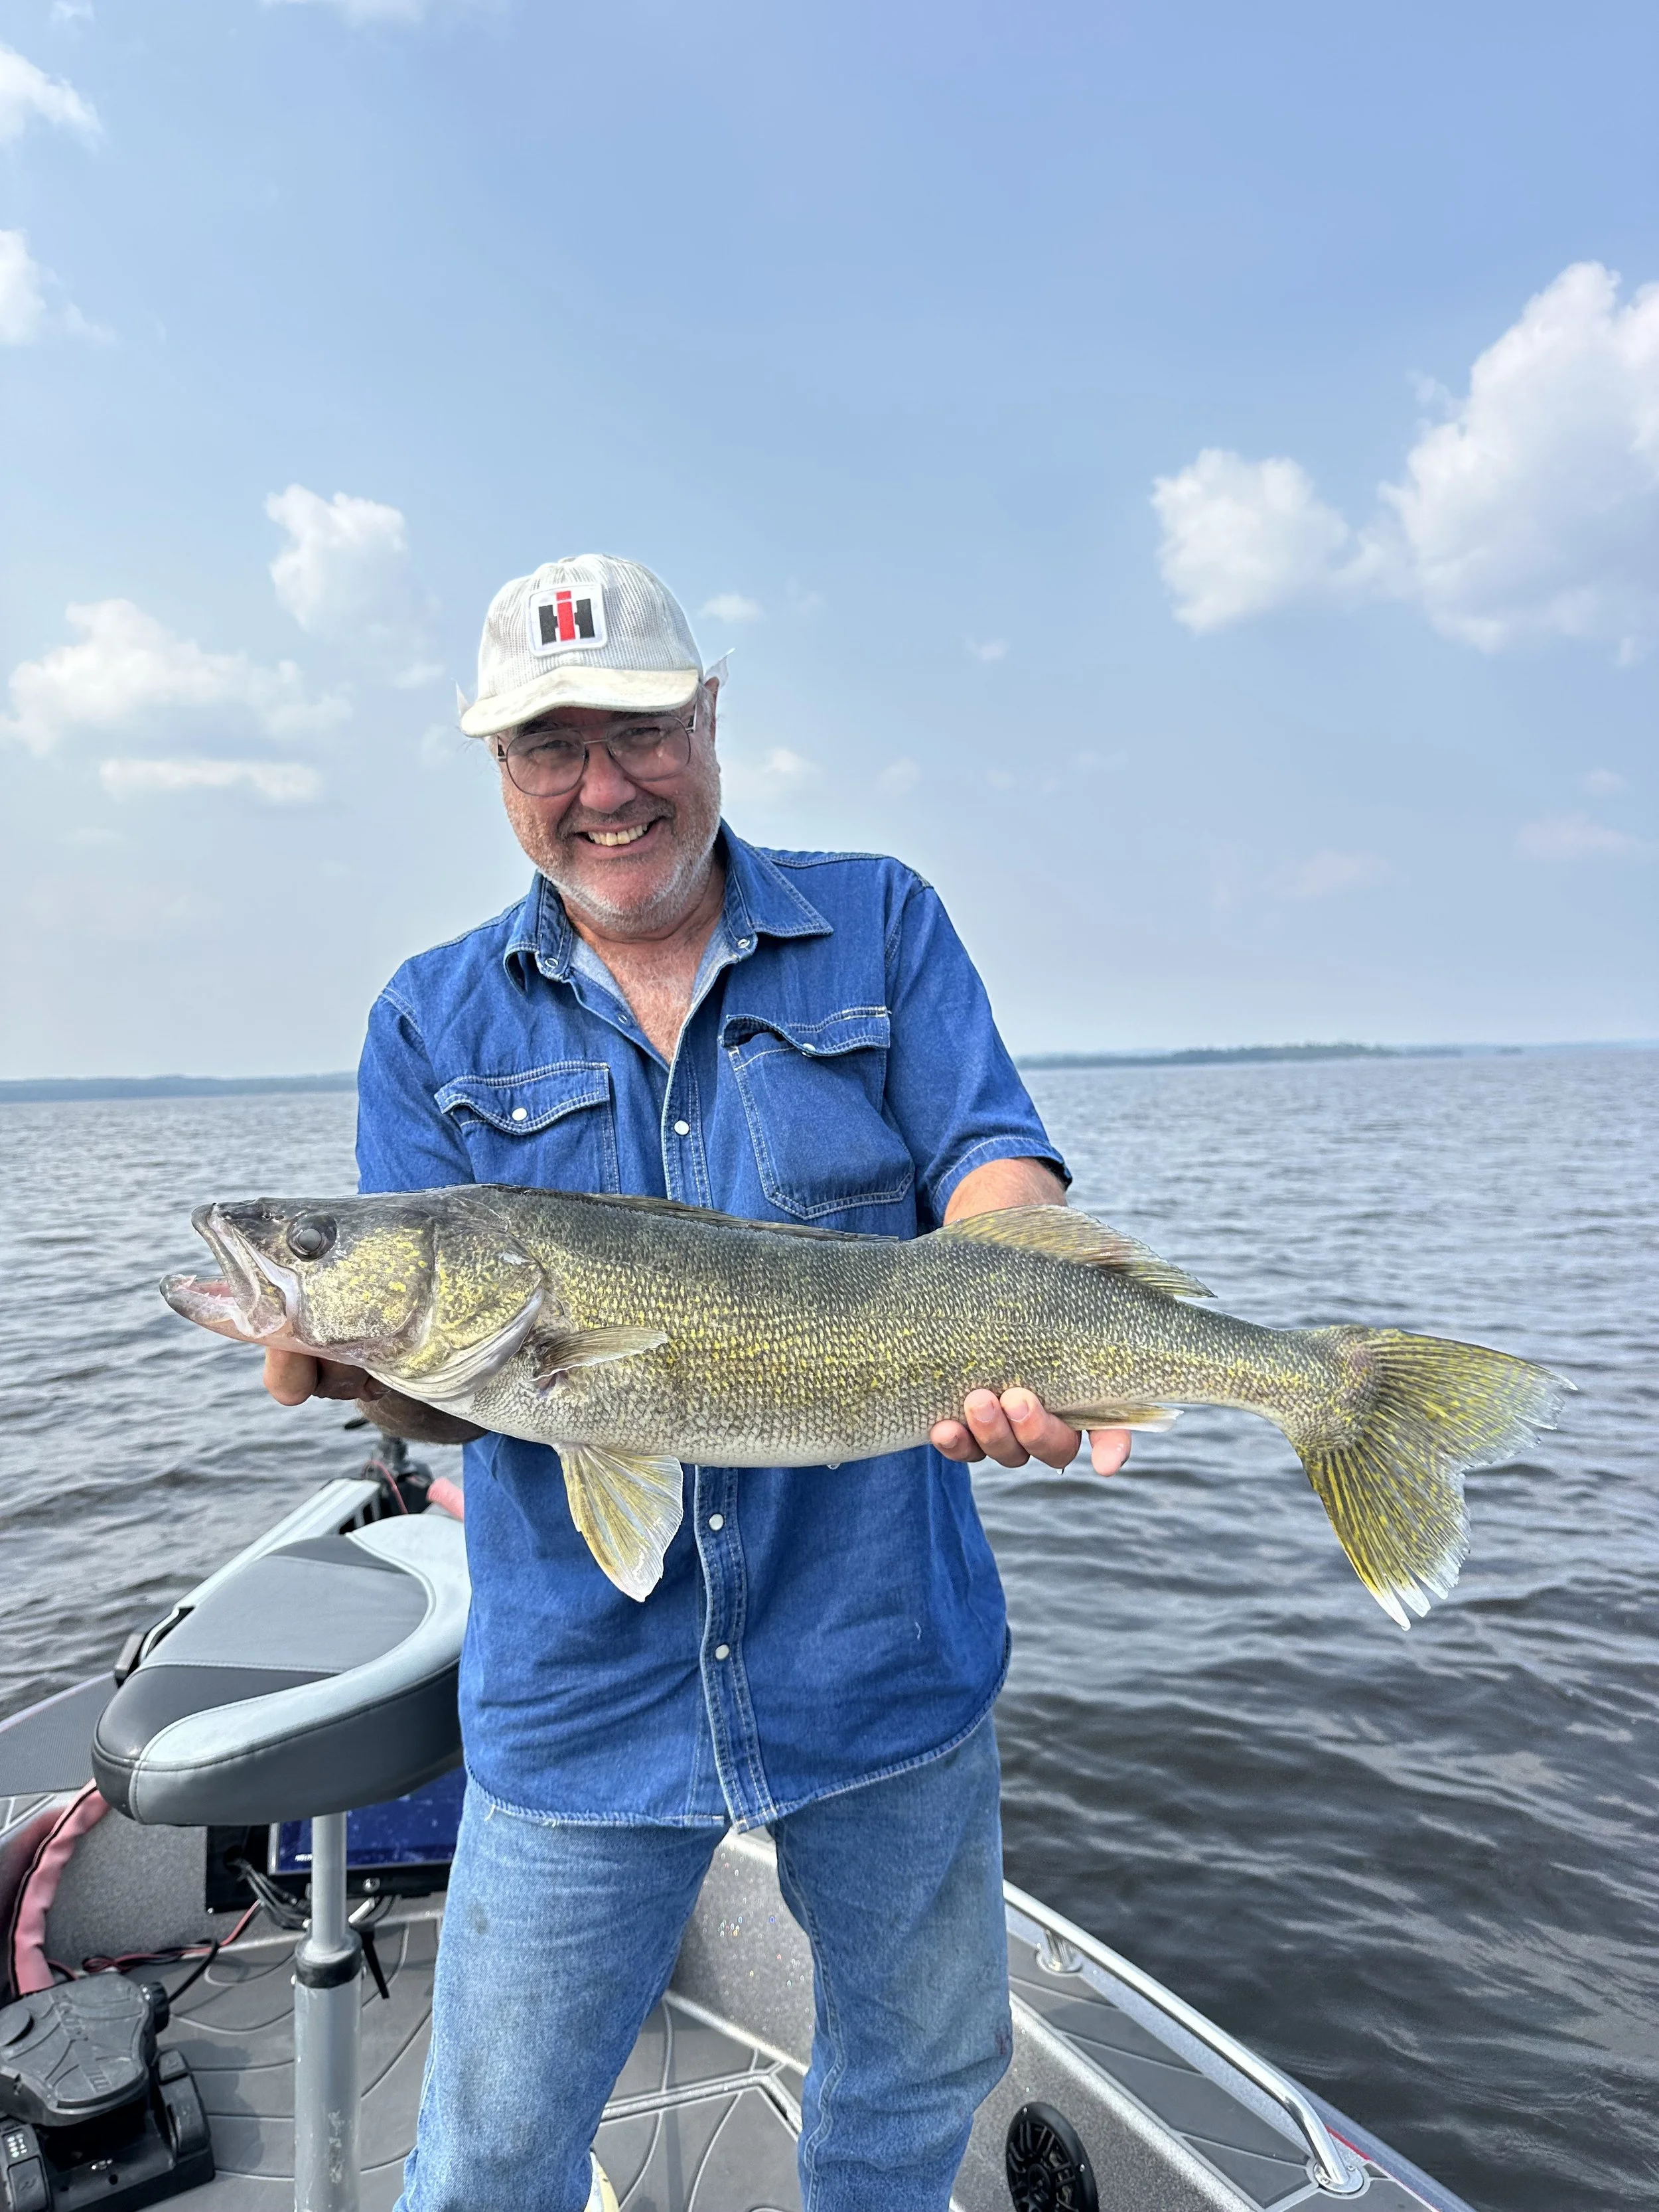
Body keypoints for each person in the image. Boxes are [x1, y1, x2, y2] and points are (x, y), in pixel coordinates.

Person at [262, 553, 1132, 2212]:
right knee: (491, 2152)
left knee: (907, 2093)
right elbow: (454, 1394)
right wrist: (372, 1372)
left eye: (639, 731)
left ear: (709, 717)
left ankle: (1339, 1396)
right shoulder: (426, 1022)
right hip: (583, 1712)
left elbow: (993, 1161)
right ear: (500, 778)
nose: (603, 788)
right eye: (546, 749)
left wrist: (1037, 1319)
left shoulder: (880, 918)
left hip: (882, 1670)